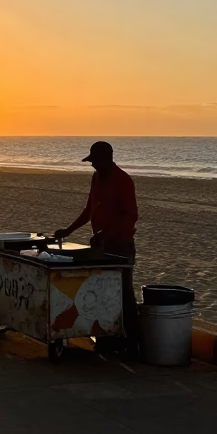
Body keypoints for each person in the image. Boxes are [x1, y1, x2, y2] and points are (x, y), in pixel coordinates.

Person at [52, 141, 139, 353]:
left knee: (124, 294)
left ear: (106, 160)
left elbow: (131, 216)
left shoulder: (123, 180)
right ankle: (107, 339)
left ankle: (132, 343)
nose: (93, 166)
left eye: (95, 162)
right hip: (102, 246)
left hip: (121, 246)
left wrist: (105, 234)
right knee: (103, 292)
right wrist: (68, 230)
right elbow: (89, 209)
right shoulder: (96, 178)